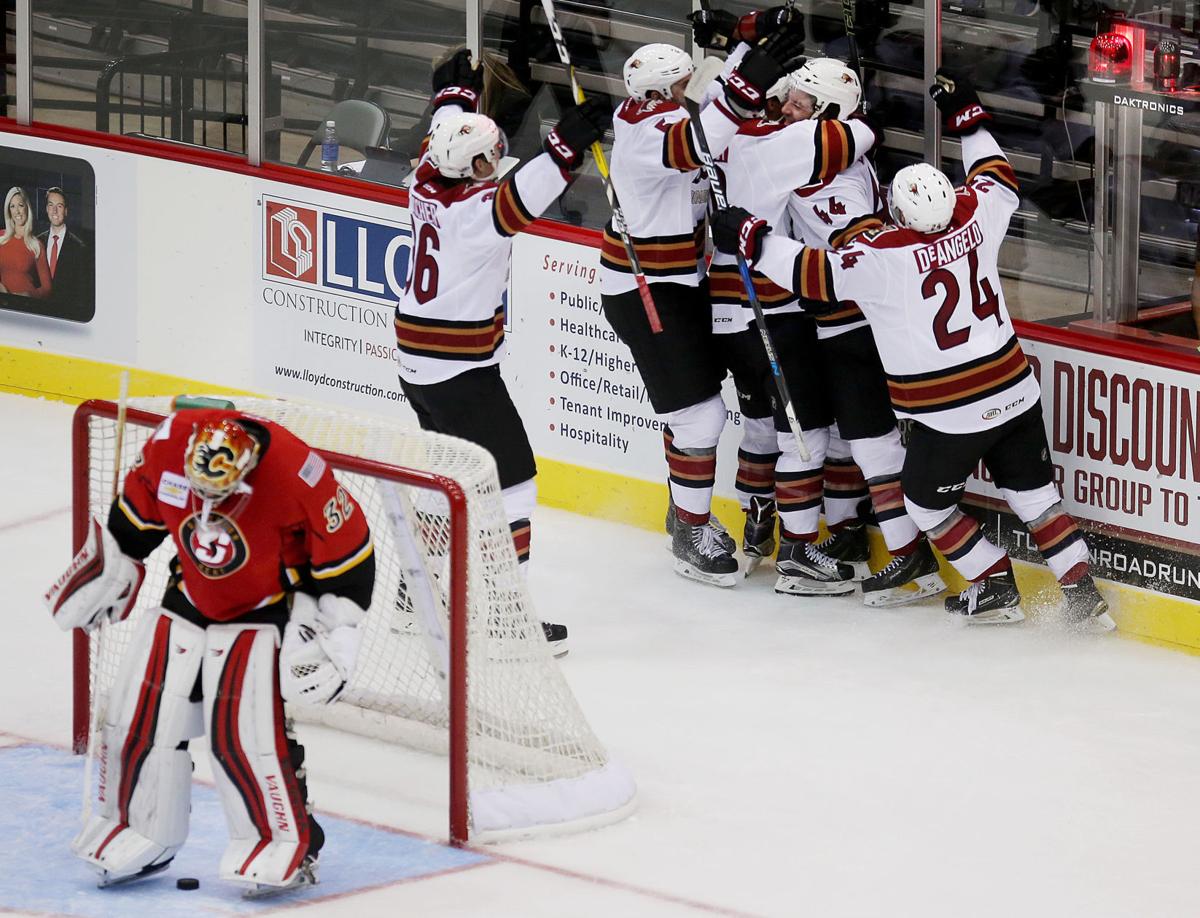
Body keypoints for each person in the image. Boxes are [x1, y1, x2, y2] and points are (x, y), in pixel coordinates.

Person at [710, 71, 1114, 628]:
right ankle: (1084, 598)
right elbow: (995, 175)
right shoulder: (976, 215)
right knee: (1037, 497)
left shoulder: (884, 256)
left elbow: (815, 273)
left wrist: (750, 237)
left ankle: (993, 581)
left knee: (926, 504)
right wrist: (968, 117)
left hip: (950, 412)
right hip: (1015, 390)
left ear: (896, 214)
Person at [44, 407, 375, 894]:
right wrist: (115, 563)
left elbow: (350, 554)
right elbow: (139, 516)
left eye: (218, 494)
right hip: (193, 592)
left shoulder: (297, 472)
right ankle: (140, 829)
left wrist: (339, 631)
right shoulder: (169, 443)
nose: (205, 505)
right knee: (135, 714)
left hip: (266, 605)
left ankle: (286, 841)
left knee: (243, 736)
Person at [394, 55, 611, 654]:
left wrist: (455, 93)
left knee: (450, 472)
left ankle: (415, 593)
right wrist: (567, 142)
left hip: (418, 356)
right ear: (473, 168)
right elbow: (530, 189)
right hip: (460, 368)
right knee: (513, 483)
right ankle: (507, 616)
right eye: (490, 156)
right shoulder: (477, 214)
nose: (498, 160)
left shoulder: (423, 182)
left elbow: (449, 131)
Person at [601, 22, 807, 588]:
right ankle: (691, 531)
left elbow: (710, 108)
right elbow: (699, 139)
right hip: (647, 292)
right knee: (700, 414)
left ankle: (680, 508)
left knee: (692, 405)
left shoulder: (659, 112)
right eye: (684, 83)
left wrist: (747, 55)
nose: (693, 89)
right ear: (662, 91)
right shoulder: (646, 131)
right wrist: (747, 81)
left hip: (678, 286)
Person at [694, 42, 880, 596]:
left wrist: (744, 51)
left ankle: (757, 531)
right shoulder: (788, 143)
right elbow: (855, 134)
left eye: (797, 101)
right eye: (788, 98)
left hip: (724, 310)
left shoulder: (718, 130)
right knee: (806, 433)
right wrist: (857, 117)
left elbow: (715, 96)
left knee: (759, 428)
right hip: (773, 312)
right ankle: (798, 552)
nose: (786, 107)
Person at [778, 58, 945, 608]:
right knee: (857, 441)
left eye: (799, 105)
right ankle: (870, 539)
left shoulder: (829, 181)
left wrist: (757, 239)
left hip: (854, 327)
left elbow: (855, 246)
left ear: (826, 114)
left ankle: (911, 560)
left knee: (871, 445)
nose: (786, 110)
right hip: (848, 326)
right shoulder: (829, 153)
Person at [38, 186, 93, 310]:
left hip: (64, 314)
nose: (55, 211)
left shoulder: (80, 248)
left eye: (60, 206)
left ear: (66, 211)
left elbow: (83, 293)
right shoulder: (37, 242)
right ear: (47, 209)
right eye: (51, 205)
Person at [0, 186, 50, 298]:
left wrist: (28, 295)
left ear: (27, 208)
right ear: (8, 211)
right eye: (12, 206)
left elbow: (47, 288)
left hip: (26, 304)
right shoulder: (0, 237)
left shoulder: (37, 245)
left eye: (20, 205)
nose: (17, 211)